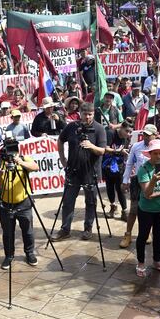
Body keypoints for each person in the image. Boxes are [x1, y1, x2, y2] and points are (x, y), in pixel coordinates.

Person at [52, 102, 107, 241]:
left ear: (93, 114)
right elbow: (60, 140)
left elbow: (102, 150)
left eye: (90, 114)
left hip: (90, 171)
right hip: (73, 171)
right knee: (68, 201)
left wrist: (91, 146)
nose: (87, 117)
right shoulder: (72, 126)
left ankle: (88, 228)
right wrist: (63, 159)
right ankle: (65, 229)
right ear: (80, 113)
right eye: (85, 114)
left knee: (91, 202)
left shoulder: (99, 128)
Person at [0, 139, 40, 269]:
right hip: (6, 204)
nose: (11, 152)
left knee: (28, 231)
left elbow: (35, 167)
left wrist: (20, 162)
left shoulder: (23, 158)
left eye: (13, 148)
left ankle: (30, 253)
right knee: (8, 233)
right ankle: (9, 256)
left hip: (24, 203)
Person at [120, 124, 160, 248]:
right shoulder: (136, 146)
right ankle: (128, 234)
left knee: (149, 210)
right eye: (145, 134)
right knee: (134, 210)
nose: (146, 137)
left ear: (155, 135)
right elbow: (129, 164)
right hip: (138, 181)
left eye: (149, 135)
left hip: (153, 181)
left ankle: (146, 232)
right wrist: (125, 180)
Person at [135, 139, 160, 277]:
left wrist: (156, 194)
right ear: (150, 154)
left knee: (159, 235)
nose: (158, 156)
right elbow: (146, 193)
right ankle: (140, 263)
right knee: (143, 236)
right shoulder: (143, 169)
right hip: (146, 210)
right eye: (155, 153)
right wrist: (153, 181)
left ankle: (157, 261)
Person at [103, 121, 132, 218]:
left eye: (130, 132)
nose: (128, 134)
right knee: (109, 187)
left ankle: (124, 211)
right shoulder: (111, 133)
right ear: (121, 128)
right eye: (126, 131)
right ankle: (113, 207)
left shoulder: (127, 138)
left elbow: (125, 151)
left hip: (120, 166)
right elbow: (105, 148)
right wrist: (118, 151)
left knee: (120, 188)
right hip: (108, 164)